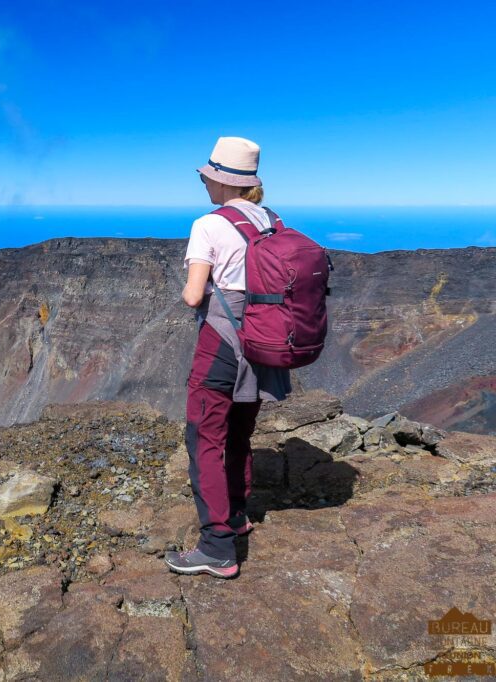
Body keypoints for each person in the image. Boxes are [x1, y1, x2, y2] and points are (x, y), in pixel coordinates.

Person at [164, 136, 292, 579]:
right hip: (263, 343)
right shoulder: (271, 219)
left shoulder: (209, 224)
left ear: (220, 181)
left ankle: (217, 548)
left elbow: (193, 295)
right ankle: (237, 515)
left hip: (222, 342)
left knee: (205, 438)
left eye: (207, 177)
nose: (204, 183)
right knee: (240, 432)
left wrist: (189, 286)